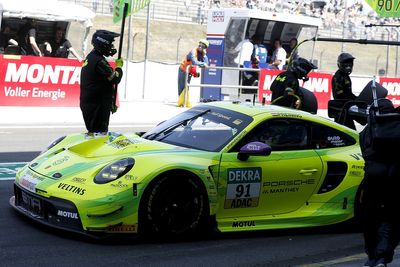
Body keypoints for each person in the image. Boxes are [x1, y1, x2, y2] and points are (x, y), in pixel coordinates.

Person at [359, 98, 400, 267]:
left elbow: (365, 153)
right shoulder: (398, 128)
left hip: (372, 178)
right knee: (392, 217)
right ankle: (382, 255)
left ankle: (371, 256)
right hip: (395, 178)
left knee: (370, 217)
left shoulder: (368, 130)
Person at [80, 29, 123, 135]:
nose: (111, 47)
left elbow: (103, 83)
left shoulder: (92, 57)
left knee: (95, 134)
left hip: (94, 105)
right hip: (96, 107)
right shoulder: (99, 61)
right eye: (110, 44)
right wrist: (119, 67)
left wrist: (110, 102)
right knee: (99, 136)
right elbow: (115, 79)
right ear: (103, 44)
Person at [177, 39, 209, 107]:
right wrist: (203, 64)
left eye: (202, 46)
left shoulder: (202, 54)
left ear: (205, 48)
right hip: (183, 70)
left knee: (187, 87)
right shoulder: (193, 51)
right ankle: (181, 102)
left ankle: (184, 101)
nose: (200, 47)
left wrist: (205, 55)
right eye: (199, 45)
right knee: (182, 87)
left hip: (189, 71)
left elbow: (206, 64)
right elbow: (195, 62)